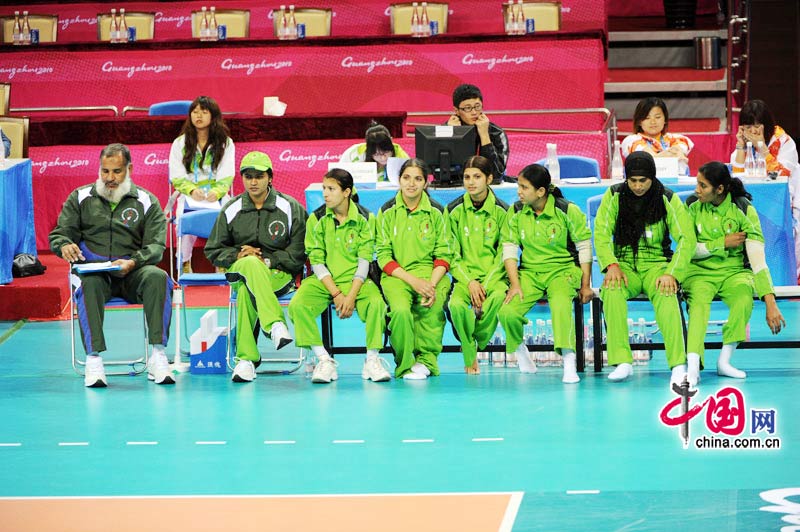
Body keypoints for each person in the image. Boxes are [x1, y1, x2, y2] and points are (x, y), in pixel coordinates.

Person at [49, 143, 174, 388]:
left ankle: (158, 355)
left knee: (158, 277)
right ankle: (94, 360)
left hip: (133, 271)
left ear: (129, 169)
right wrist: (63, 244)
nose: (110, 178)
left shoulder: (146, 201)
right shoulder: (80, 198)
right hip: (95, 273)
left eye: (117, 171)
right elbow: (60, 233)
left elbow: (156, 245)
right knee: (88, 284)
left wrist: (134, 261)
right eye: (105, 171)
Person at [594, 151, 696, 385]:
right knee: (611, 290)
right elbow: (601, 233)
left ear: (652, 177)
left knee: (667, 294)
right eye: (633, 181)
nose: (638, 186)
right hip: (623, 265)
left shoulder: (667, 197)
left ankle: (678, 365)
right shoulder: (614, 195)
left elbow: (686, 239)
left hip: (657, 265)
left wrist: (672, 273)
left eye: (643, 181)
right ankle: (622, 361)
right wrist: (611, 265)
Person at [205, 151, 307, 383]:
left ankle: (246, 360)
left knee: (245, 291)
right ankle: (275, 324)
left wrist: (267, 260)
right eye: (248, 176)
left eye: (259, 176)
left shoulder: (290, 207)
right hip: (240, 269)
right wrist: (237, 254)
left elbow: (299, 252)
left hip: (279, 275)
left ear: (270, 177)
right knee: (249, 263)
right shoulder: (231, 209)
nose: (253, 182)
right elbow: (213, 250)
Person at [683, 161, 786, 387]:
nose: (696, 190)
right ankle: (692, 367)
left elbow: (757, 258)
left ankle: (724, 361)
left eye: (703, 186)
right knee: (698, 305)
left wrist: (770, 302)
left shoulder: (743, 209)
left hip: (734, 272)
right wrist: (721, 243)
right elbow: (688, 249)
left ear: (719, 189)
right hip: (698, 273)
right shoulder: (691, 206)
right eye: (697, 184)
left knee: (743, 299)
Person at [288, 169, 390, 384]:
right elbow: (316, 260)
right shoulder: (316, 218)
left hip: (357, 281)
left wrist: (350, 296)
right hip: (324, 281)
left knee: (376, 304)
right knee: (298, 305)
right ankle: (324, 360)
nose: (325, 194)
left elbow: (365, 259)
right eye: (324, 188)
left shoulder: (365, 218)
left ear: (346, 192)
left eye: (331, 189)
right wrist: (336, 293)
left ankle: (372, 359)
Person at [498, 164, 593, 383]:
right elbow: (509, 249)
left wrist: (586, 285)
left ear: (541, 191)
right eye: (518, 186)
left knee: (560, 304)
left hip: (563, 271)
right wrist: (515, 284)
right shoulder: (516, 211)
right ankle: (520, 351)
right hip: (530, 273)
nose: (519, 192)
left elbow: (584, 247)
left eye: (524, 187)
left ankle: (569, 360)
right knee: (507, 312)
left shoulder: (567, 210)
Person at [376, 158, 453, 380]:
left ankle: (426, 362)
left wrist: (431, 284)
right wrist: (413, 281)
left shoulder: (437, 211)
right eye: (406, 178)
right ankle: (404, 365)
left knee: (432, 307)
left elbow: (444, 253)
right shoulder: (387, 211)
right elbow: (383, 255)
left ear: (426, 182)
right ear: (399, 180)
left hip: (431, 274)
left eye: (418, 179)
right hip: (397, 275)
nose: (411, 183)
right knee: (400, 312)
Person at [444, 156, 509, 375]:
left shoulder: (503, 210)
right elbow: (451, 254)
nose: (471, 182)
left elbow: (504, 254)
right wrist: (470, 282)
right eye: (467, 177)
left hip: (495, 278)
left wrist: (485, 285)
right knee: (455, 306)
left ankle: (471, 345)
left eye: (477, 177)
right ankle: (470, 350)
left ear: (489, 179)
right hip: (465, 279)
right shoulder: (453, 210)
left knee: (498, 300)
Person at [730, 99, 800, 278]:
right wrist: (741, 145)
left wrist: (761, 146)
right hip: (754, 200)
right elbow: (737, 174)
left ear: (766, 125)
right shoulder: (745, 143)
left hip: (784, 202)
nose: (753, 131)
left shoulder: (784, 142)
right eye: (748, 127)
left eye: (757, 126)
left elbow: (782, 173)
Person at [169, 95, 236, 273]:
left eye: (204, 112)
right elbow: (176, 175)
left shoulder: (226, 143)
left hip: (216, 195)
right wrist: (191, 190)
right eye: (195, 111)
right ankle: (184, 263)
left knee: (228, 217)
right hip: (190, 195)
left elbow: (227, 173)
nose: (198, 115)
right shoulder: (180, 143)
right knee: (183, 219)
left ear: (213, 116)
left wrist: (218, 191)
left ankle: (222, 263)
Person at [447, 83, 512, 182]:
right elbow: (441, 172)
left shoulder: (497, 133)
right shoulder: (446, 130)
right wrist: (455, 136)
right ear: (456, 111)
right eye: (467, 108)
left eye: (477, 106)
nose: (474, 112)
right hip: (455, 186)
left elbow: (496, 174)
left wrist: (484, 135)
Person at [621, 97, 694, 173]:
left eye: (657, 117)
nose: (653, 122)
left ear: (665, 119)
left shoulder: (676, 138)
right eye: (647, 118)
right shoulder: (631, 140)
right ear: (639, 121)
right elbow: (647, 157)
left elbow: (680, 151)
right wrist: (665, 156)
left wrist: (675, 153)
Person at [339, 122, 410, 182]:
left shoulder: (402, 158)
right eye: (377, 154)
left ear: (391, 141)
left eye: (386, 152)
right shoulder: (354, 154)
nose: (383, 158)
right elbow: (339, 177)